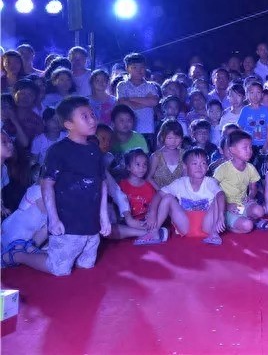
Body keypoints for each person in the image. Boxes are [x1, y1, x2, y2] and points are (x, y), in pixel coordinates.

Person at [3, 96, 111, 275]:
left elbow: (102, 183)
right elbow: (46, 185)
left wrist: (104, 216)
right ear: (69, 124)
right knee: (59, 269)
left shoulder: (94, 150)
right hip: (68, 222)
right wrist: (53, 219)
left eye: (92, 114)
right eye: (84, 116)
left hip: (91, 223)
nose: (92, 120)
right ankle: (18, 255)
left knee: (86, 264)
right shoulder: (58, 150)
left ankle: (42, 250)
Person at [146, 147, 226, 245]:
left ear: (207, 166)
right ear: (185, 166)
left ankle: (214, 234)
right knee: (167, 198)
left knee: (218, 197)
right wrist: (152, 212)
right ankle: (154, 232)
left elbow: (221, 195)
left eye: (203, 163)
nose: (199, 167)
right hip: (185, 226)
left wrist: (221, 216)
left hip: (207, 227)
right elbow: (159, 194)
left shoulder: (210, 182)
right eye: (194, 163)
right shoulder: (179, 183)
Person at [213, 129, 268, 232]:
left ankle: (246, 219)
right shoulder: (223, 169)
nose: (249, 151)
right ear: (232, 150)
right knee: (247, 226)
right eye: (245, 148)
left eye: (250, 147)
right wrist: (226, 206)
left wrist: (250, 197)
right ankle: (230, 224)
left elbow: (253, 187)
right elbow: (212, 189)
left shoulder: (250, 168)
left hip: (241, 205)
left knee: (259, 211)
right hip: (227, 208)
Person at [115, 53, 160, 148]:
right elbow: (122, 103)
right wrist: (146, 101)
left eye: (142, 67)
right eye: (134, 67)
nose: (139, 70)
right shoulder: (122, 85)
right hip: (128, 130)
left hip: (147, 129)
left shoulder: (150, 86)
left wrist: (130, 98)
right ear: (127, 69)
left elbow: (154, 102)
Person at [146, 119, 185, 189]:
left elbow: (186, 177)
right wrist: (161, 192)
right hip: (158, 193)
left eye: (177, 138)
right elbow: (149, 177)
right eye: (169, 138)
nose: (173, 141)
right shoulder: (156, 156)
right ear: (162, 137)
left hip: (179, 193)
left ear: (181, 138)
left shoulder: (184, 154)